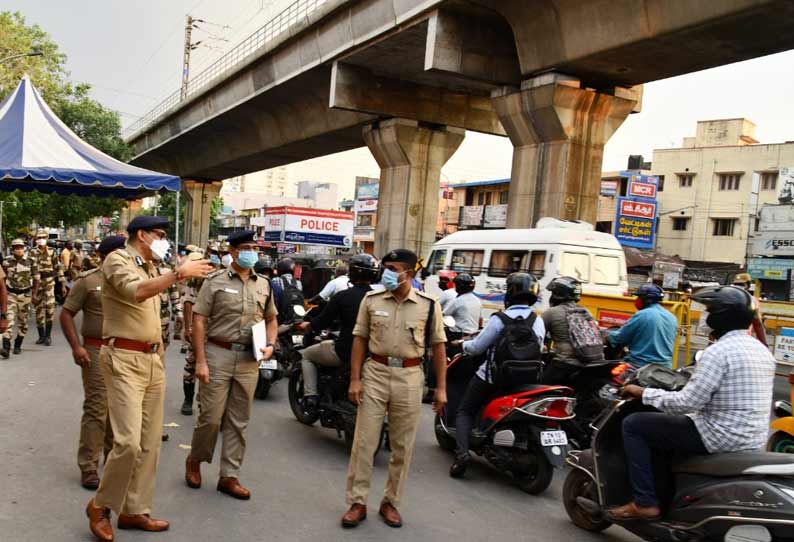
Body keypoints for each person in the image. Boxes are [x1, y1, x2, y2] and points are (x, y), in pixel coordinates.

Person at [85, 216, 212, 542]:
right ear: (141, 235)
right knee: (126, 442)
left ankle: (134, 510)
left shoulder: (154, 266)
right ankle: (100, 506)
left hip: (151, 358)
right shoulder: (118, 260)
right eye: (159, 235)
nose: (164, 241)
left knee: (150, 442)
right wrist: (178, 273)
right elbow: (136, 292)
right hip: (123, 358)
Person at [613, 285, 776, 520]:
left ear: (721, 316)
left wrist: (643, 392)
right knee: (665, 429)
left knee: (635, 424)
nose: (706, 317)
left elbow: (686, 403)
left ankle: (645, 503)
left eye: (709, 311)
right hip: (753, 437)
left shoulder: (718, 352)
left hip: (719, 435)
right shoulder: (762, 352)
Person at [342, 248, 447, 529]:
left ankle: (391, 502)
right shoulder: (371, 299)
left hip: (411, 376)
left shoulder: (428, 305)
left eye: (393, 267)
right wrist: (355, 379)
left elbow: (438, 347)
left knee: (402, 445)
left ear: (409, 273)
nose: (387, 271)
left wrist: (441, 388)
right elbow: (359, 340)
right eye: (385, 266)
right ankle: (357, 501)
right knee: (365, 442)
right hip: (375, 372)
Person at [184, 230, 278, 500]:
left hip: (249, 359)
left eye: (254, 248)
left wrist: (271, 344)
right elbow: (199, 320)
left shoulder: (264, 284)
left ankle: (229, 476)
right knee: (211, 418)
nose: (252, 252)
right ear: (233, 252)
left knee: (239, 420)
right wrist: (200, 361)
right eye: (246, 247)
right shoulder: (214, 281)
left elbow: (271, 318)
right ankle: (195, 460)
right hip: (218, 354)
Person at [449, 272, 545, 478]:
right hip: (526, 379)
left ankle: (462, 454)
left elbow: (476, 348)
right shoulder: (537, 321)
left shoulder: (499, 319)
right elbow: (540, 346)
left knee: (465, 411)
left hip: (493, 378)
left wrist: (461, 344)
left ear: (509, 293)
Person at [60, 235, 126, 490]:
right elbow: (66, 314)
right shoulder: (88, 281)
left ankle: (112, 461)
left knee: (119, 410)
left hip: (124, 352)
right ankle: (89, 465)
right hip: (95, 350)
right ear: (105, 256)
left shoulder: (131, 279)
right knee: (97, 408)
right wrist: (76, 347)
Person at [296, 254, 379, 409]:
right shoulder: (379, 299)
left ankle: (311, 395)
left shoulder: (343, 296)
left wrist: (307, 326)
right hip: (372, 354)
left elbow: (322, 321)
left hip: (344, 351)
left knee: (306, 355)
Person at [540, 276, 602, 383]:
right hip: (590, 364)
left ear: (557, 293)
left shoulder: (552, 312)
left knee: (537, 387)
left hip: (564, 364)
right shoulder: (585, 311)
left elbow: (536, 333)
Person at [607, 283, 677, 368]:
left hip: (640, 365)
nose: (636, 300)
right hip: (665, 367)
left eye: (639, 297)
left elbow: (620, 338)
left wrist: (606, 334)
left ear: (645, 299)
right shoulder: (671, 317)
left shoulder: (642, 314)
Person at [180, 247, 213, 415]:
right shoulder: (197, 279)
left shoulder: (222, 277)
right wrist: (188, 327)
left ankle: (205, 405)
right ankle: (188, 400)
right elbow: (188, 302)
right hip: (198, 328)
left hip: (215, 331)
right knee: (192, 365)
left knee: (213, 370)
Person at [32, 228, 66, 346]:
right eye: (39, 238)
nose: (41, 240)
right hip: (37, 283)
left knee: (50, 308)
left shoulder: (52, 252)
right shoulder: (32, 252)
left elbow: (58, 268)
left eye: (43, 238)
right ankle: (41, 336)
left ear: (47, 239)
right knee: (38, 309)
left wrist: (62, 285)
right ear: (36, 240)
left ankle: (48, 336)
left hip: (49, 282)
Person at [2, 239, 34, 357]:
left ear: (24, 247)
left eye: (20, 246)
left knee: (23, 323)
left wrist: (34, 294)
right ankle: (6, 348)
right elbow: (2, 279)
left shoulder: (31, 261)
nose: (18, 249)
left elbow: (36, 278)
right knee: (9, 320)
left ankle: (17, 345)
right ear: (12, 248)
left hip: (25, 295)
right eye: (16, 247)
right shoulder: (6, 262)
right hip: (11, 295)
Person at [732, 272, 768, 347]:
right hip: (744, 340)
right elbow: (758, 324)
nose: (738, 287)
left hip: (724, 339)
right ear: (748, 285)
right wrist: (764, 344)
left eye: (741, 284)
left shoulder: (724, 297)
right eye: (737, 284)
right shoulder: (752, 300)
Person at [443, 273, 481, 338]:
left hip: (458, 335)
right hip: (473, 334)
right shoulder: (477, 300)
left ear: (459, 286)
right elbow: (480, 319)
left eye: (456, 285)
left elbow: (443, 314)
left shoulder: (458, 300)